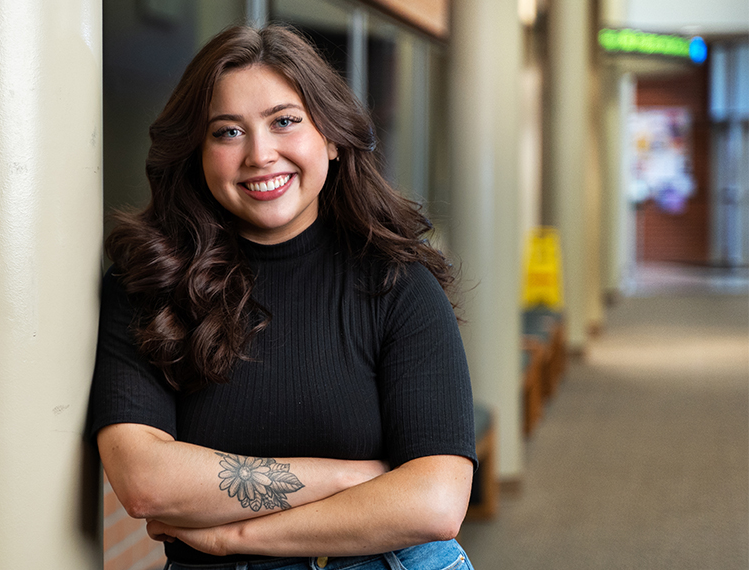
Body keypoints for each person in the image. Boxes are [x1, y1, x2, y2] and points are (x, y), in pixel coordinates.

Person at [88, 24, 476, 570]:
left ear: (333, 137)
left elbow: (436, 502)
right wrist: (358, 476)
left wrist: (233, 537)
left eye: (285, 121)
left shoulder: (399, 285)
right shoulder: (149, 287)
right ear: (197, 153)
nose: (260, 154)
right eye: (227, 132)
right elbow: (146, 483)